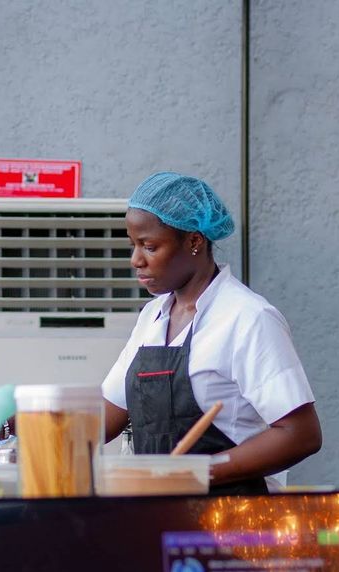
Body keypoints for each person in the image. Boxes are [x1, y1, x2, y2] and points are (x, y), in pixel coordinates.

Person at [102, 172, 322, 494]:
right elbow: (106, 417)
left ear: (194, 241)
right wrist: (25, 423)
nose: (136, 260)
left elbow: (300, 434)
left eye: (149, 246)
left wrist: (196, 472)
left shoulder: (247, 318)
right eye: (133, 245)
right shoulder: (152, 317)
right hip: (165, 515)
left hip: (236, 521)